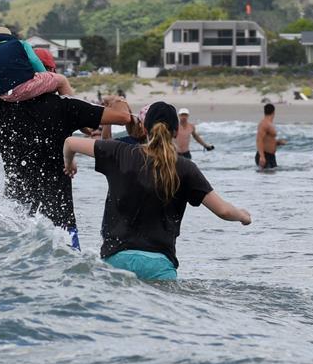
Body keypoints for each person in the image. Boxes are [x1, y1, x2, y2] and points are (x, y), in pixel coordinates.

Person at [63, 101, 251, 280]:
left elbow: (70, 143)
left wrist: (69, 164)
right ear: (176, 132)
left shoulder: (120, 152)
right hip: (160, 265)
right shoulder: (186, 168)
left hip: (117, 258)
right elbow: (223, 211)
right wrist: (243, 216)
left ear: (144, 129)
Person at [0, 93, 131, 250]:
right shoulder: (64, 107)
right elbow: (121, 117)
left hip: (16, 221)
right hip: (61, 222)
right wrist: (119, 100)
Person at [0, 27, 75, 103]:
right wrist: (47, 76)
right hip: (24, 89)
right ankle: (74, 113)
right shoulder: (20, 44)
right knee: (62, 80)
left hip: (5, 96)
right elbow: (34, 61)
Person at [255, 103, 286, 170]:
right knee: (265, 179)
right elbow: (259, 140)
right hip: (265, 155)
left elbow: (268, 140)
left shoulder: (269, 124)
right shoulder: (264, 124)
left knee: (272, 178)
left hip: (271, 156)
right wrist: (262, 156)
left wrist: (278, 142)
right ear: (274, 112)